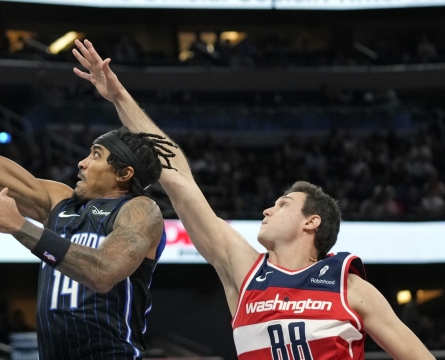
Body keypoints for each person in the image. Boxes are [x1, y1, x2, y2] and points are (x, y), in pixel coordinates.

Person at [71, 39, 435, 359]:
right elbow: (179, 178)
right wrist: (119, 96)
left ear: (312, 222)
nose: (267, 208)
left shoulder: (349, 287)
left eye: (283, 204)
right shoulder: (245, 271)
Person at [0, 42, 177, 360]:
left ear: (124, 173)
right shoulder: (58, 201)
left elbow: (103, 273)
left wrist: (20, 227)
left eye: (96, 155)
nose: (82, 163)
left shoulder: (139, 210)